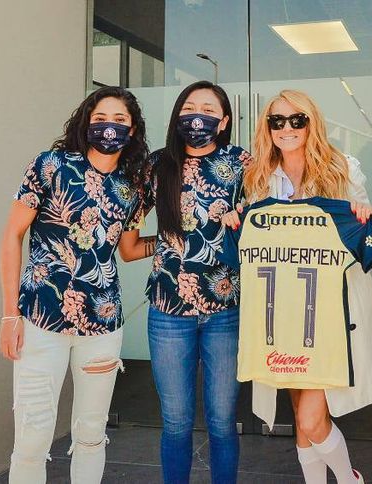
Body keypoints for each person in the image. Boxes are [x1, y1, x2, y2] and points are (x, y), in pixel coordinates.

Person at [221, 89, 372, 484]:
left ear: (311, 122)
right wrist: (238, 221)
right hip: (285, 315)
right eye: (277, 121)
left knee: (310, 418)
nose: (286, 128)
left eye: (296, 119)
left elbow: (362, 237)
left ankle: (350, 480)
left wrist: (361, 212)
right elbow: (253, 239)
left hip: (330, 315)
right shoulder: (259, 178)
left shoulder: (342, 168)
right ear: (268, 128)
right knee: (302, 417)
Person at [0, 86, 150, 483]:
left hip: (102, 325)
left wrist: (170, 241)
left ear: (132, 130)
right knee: (32, 436)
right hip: (40, 320)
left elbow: (129, 250)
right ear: (86, 122)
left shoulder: (133, 185)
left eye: (120, 120)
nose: (109, 127)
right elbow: (13, 235)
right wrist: (10, 315)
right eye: (100, 118)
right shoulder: (50, 166)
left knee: (91, 434)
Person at [118, 80, 250, 483]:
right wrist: (168, 241)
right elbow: (128, 248)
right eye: (190, 108)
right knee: (176, 422)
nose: (198, 117)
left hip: (226, 311)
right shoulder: (157, 166)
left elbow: (266, 221)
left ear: (224, 121)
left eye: (209, 110)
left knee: (223, 421)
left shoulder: (241, 163)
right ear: (177, 116)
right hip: (168, 312)